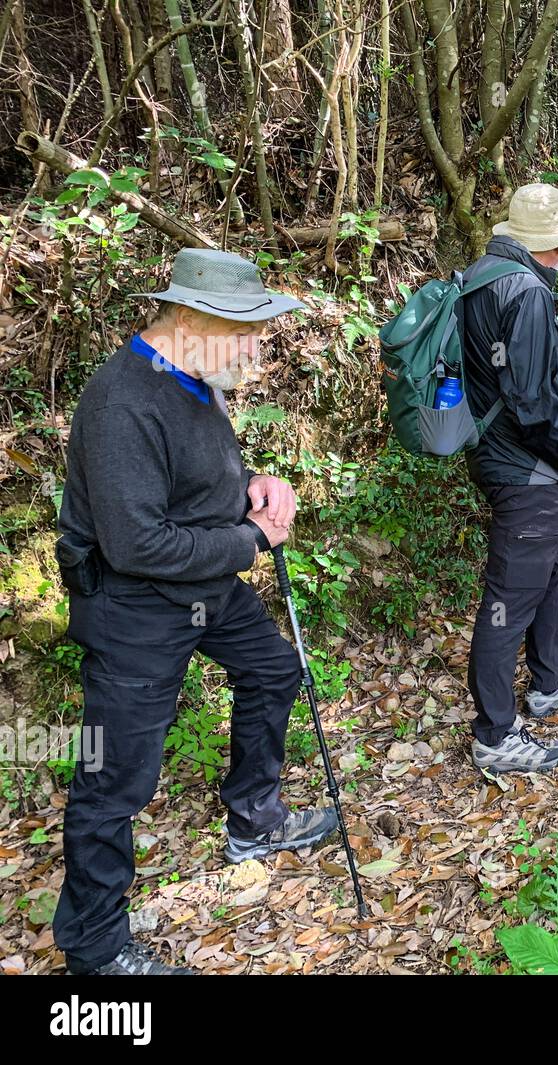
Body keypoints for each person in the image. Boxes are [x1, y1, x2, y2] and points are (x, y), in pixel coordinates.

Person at [53, 249, 329, 976]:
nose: (255, 350)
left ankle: (254, 818)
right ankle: (96, 948)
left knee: (275, 670)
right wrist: (248, 539)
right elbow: (136, 540)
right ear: (188, 317)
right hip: (134, 607)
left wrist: (253, 488)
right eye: (244, 331)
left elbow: (201, 481)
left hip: (203, 587)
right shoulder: (122, 402)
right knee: (115, 778)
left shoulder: (197, 377)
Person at [461, 183, 558, 773]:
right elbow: (531, 399)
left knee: (557, 564)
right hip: (526, 467)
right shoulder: (524, 290)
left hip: (501, 454)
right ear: (555, 246)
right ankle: (494, 733)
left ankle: (548, 682)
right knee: (509, 596)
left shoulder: (481, 274)